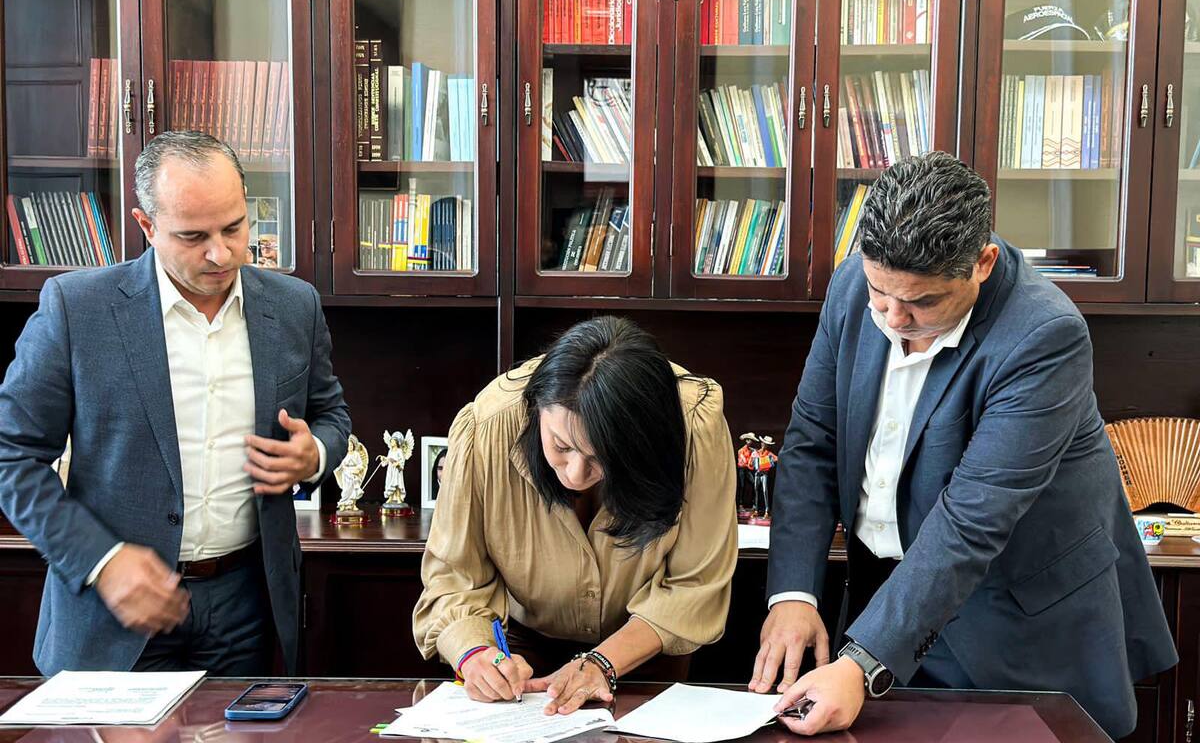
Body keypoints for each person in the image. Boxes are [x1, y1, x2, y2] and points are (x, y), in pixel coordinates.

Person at [751, 152, 1176, 739]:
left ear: (982, 263)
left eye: (922, 303)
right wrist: (794, 595)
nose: (893, 318)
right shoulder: (853, 286)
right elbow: (812, 443)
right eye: (880, 293)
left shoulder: (1043, 335)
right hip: (883, 605)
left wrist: (862, 663)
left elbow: (972, 519)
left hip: (1013, 626)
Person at [0, 131, 351, 676]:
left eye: (234, 227)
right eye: (193, 236)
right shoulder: (77, 308)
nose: (221, 253)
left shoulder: (294, 306)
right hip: (112, 614)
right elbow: (11, 456)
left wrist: (316, 456)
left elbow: (331, 415)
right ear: (147, 226)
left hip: (247, 604)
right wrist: (102, 561)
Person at [414, 316, 737, 715]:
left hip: (647, 648)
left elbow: (696, 581)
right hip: (522, 656)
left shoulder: (693, 424)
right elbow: (452, 578)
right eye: (561, 445)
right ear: (537, 409)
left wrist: (603, 663)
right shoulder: (488, 426)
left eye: (604, 458)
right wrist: (475, 653)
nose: (576, 475)